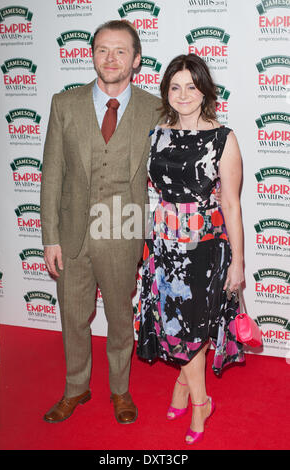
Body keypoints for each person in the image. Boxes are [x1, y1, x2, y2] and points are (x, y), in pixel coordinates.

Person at [40, 20, 160, 424]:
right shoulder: (64, 103)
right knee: (72, 315)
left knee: (120, 317)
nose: (110, 58)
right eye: (102, 50)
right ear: (91, 54)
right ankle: (76, 388)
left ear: (136, 59)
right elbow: (52, 173)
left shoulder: (156, 108)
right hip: (72, 233)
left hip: (123, 231)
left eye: (120, 51)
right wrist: (49, 237)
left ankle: (120, 390)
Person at [137, 53, 245, 444]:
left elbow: (231, 204)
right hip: (164, 245)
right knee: (172, 323)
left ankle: (201, 403)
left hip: (204, 249)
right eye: (175, 87)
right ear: (167, 92)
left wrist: (238, 262)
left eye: (191, 86)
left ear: (204, 91)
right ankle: (183, 387)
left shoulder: (222, 138)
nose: (183, 94)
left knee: (191, 328)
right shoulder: (158, 134)